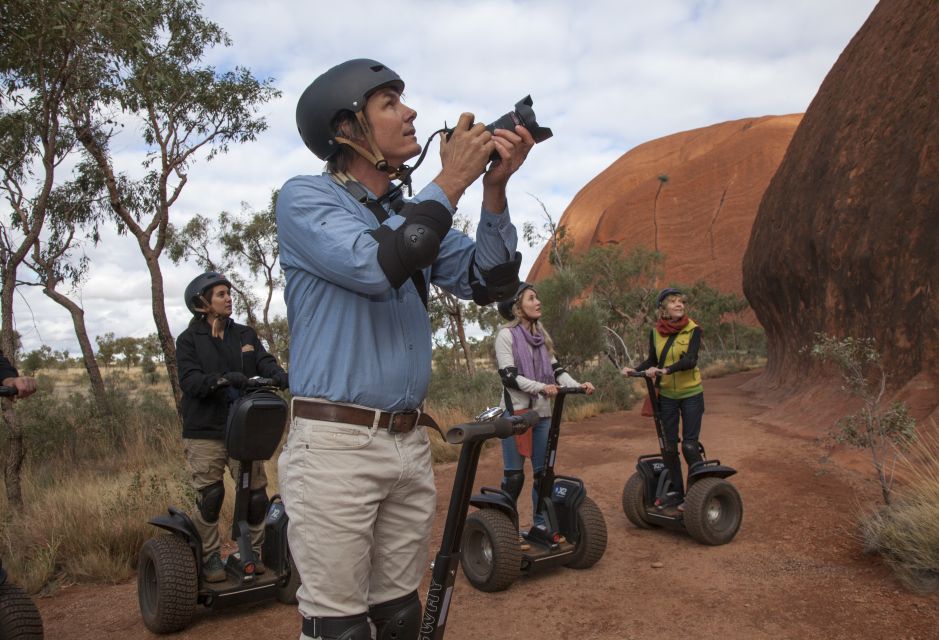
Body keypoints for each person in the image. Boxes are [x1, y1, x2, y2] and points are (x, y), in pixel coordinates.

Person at [276, 58, 532, 640]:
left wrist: (493, 190)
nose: (410, 111)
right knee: (339, 626)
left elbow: (489, 283)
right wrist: (452, 182)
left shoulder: (405, 214)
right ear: (347, 129)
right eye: (389, 102)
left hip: (408, 442)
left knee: (397, 616)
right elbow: (377, 263)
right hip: (336, 445)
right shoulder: (304, 200)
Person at [175, 271, 289, 583]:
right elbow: (190, 381)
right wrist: (224, 379)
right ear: (202, 303)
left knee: (254, 496)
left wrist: (278, 374)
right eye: (220, 294)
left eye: (229, 293)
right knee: (211, 496)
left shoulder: (245, 335)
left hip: (244, 427)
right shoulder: (188, 341)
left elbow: (263, 362)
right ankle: (211, 555)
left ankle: (249, 551)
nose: (228, 298)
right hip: (206, 430)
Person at [495, 283, 595, 536]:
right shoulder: (505, 336)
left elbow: (558, 372)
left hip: (542, 415)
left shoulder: (541, 337)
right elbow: (509, 377)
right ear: (518, 306)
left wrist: (578, 386)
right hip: (516, 414)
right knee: (515, 477)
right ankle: (507, 528)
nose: (538, 302)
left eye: (538, 297)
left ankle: (540, 523)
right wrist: (541, 387)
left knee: (543, 474)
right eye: (532, 298)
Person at [621, 287, 704, 510]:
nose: (679, 305)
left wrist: (665, 371)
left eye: (681, 302)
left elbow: (691, 360)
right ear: (663, 308)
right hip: (667, 396)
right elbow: (652, 359)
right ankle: (677, 491)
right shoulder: (655, 332)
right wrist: (634, 370)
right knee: (668, 446)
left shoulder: (693, 329)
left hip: (691, 394)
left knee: (688, 445)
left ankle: (696, 492)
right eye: (674, 302)